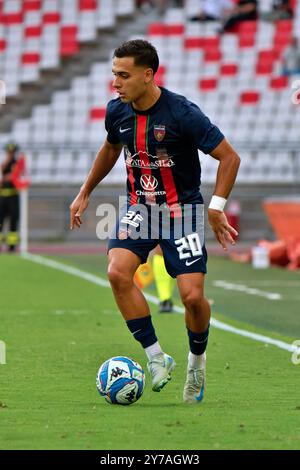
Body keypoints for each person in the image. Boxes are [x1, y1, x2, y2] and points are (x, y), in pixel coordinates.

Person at [70, 40, 240, 403]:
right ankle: (156, 358)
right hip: (140, 209)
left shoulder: (182, 113)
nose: (116, 82)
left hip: (183, 212)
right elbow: (111, 148)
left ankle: (196, 364)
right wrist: (85, 190)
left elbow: (229, 157)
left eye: (123, 75)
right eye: (114, 73)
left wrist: (216, 207)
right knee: (117, 272)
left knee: (192, 298)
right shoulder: (117, 112)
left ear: (147, 75)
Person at [0, 142, 20, 253]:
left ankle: (12, 246)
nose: (10, 154)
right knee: (0, 221)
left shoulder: (17, 163)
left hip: (13, 196)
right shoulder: (5, 163)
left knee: (13, 221)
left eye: (12, 152)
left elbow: (14, 175)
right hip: (2, 196)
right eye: (9, 152)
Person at [152, 245, 176, 313]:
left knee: (170, 280)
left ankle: (166, 300)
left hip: (172, 256)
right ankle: (165, 301)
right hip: (160, 258)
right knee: (162, 280)